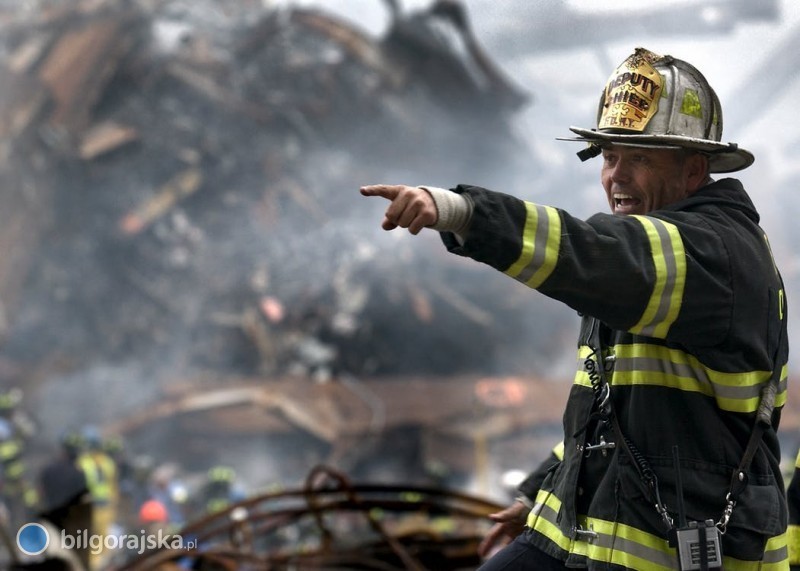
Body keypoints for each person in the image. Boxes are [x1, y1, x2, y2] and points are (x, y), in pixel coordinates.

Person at [360, 47, 789, 570]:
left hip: (669, 552)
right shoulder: (657, 253)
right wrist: (543, 489)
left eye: (640, 158)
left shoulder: (711, 254)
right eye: (609, 158)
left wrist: (463, 211)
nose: (617, 177)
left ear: (693, 169)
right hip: (587, 534)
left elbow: (593, 251)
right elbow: (615, 410)